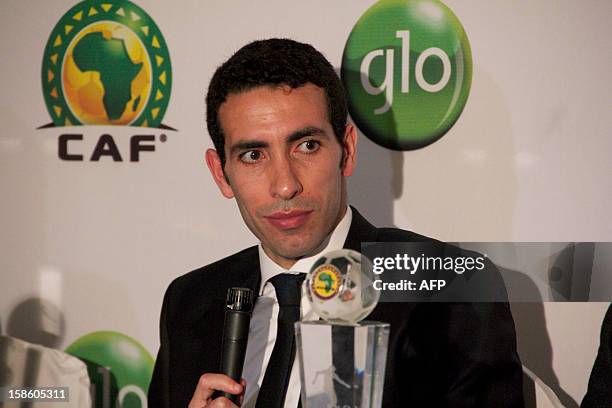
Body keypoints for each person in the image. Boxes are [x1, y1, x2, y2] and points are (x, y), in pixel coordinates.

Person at [148, 38, 524, 408]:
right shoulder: (190, 301)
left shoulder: (450, 292)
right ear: (221, 173)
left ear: (347, 151)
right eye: (253, 155)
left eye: (306, 146)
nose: (285, 185)